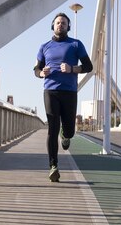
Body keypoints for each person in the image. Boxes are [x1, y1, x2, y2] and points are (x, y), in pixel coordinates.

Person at [34, 12, 93, 182]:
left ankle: (66, 135)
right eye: (58, 22)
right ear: (53, 26)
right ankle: (53, 166)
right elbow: (36, 69)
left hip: (69, 92)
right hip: (50, 91)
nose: (61, 25)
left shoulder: (75, 44)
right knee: (52, 129)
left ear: (68, 27)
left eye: (64, 23)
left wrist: (72, 69)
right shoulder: (44, 46)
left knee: (69, 130)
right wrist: (41, 73)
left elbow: (88, 66)